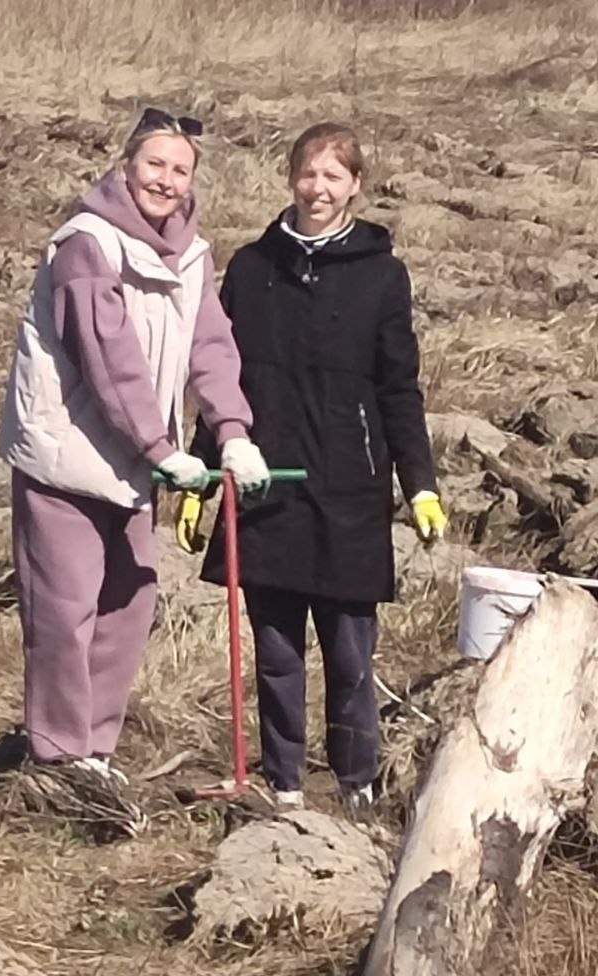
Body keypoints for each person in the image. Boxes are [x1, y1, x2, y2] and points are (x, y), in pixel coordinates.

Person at [176, 121, 446, 812]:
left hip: (350, 489)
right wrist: (202, 476)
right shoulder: (251, 268)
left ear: (356, 185)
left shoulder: (381, 275)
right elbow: (222, 382)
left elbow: (398, 388)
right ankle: (285, 783)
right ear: (290, 177)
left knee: (350, 654)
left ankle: (356, 784)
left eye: (333, 176)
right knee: (276, 652)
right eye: (307, 173)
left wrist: (419, 484)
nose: (317, 188)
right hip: (265, 485)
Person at [0, 107, 270, 778]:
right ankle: (58, 758)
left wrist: (233, 433)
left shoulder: (193, 255)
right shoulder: (87, 245)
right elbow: (107, 359)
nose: (166, 180)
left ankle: (95, 750)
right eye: (155, 164)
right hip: (66, 456)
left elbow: (211, 346)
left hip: (133, 461)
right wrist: (163, 450)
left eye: (180, 170)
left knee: (130, 600)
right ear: (126, 166)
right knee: (65, 609)